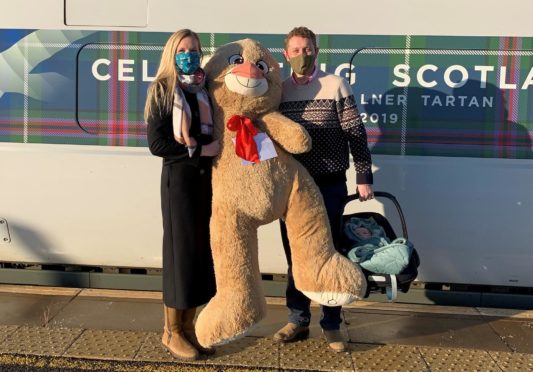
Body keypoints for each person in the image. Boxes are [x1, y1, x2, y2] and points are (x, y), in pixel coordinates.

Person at [273, 26, 374, 353]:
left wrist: (363, 176)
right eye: (296, 50)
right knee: (295, 256)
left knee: (329, 253)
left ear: (316, 52)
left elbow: (356, 133)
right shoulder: (279, 91)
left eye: (308, 49)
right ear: (285, 55)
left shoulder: (335, 85)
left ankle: (331, 322)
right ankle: (297, 318)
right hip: (292, 188)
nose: (302, 55)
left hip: (329, 184)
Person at [144, 29, 220, 361]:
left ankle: (189, 329)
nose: (190, 54)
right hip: (180, 183)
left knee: (200, 255)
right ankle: (171, 332)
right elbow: (157, 144)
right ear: (172, 53)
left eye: (195, 49)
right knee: (181, 256)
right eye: (183, 49)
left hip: (206, 182)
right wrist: (201, 150)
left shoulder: (204, 89)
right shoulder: (163, 89)